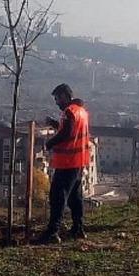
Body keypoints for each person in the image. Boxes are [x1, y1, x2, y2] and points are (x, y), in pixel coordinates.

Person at [42, 83, 91, 243]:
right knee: (75, 198)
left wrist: (49, 143)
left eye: (57, 98)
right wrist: (55, 124)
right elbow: (71, 130)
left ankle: (52, 232)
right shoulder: (81, 111)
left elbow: (67, 133)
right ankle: (78, 228)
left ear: (64, 96)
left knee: (57, 197)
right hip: (78, 162)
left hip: (67, 163)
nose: (56, 102)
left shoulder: (69, 112)